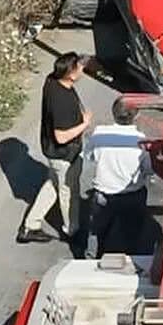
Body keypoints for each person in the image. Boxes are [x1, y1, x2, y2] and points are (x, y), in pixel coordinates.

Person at [19, 53, 92, 244]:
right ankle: (71, 230)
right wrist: (85, 124)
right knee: (69, 191)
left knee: (52, 185)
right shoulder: (63, 102)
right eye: (79, 67)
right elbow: (61, 136)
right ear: (71, 74)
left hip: (52, 151)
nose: (82, 69)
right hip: (65, 155)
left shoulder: (51, 81)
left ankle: (31, 225)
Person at [82, 100, 152, 258]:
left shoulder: (99, 134)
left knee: (97, 232)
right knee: (132, 233)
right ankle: (132, 262)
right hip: (132, 195)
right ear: (135, 116)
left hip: (103, 194)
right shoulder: (140, 140)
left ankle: (91, 260)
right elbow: (148, 169)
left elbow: (89, 156)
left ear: (114, 114)